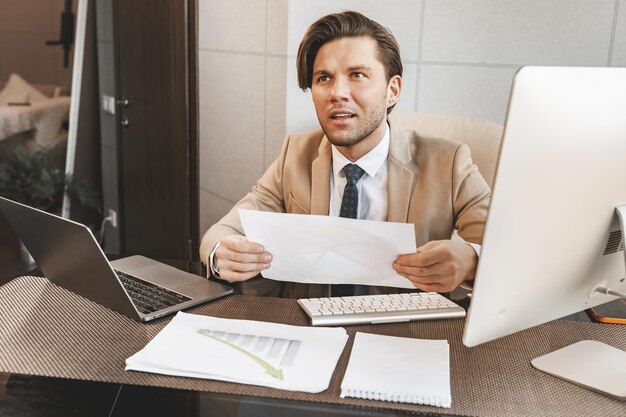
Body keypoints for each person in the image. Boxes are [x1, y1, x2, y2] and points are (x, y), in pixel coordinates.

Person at [199, 11, 490, 299]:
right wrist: (220, 254)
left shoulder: (449, 162)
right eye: (324, 78)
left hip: (405, 332)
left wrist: (471, 260)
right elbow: (221, 232)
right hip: (312, 328)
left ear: (392, 90)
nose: (337, 93)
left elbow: (506, 251)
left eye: (357, 75)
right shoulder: (295, 153)